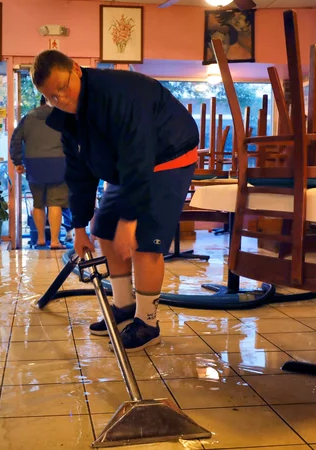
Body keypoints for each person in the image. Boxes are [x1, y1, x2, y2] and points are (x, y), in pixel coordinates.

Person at [33, 50, 199, 352]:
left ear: (76, 69)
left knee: (143, 241)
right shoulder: (69, 120)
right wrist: (80, 227)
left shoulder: (120, 94)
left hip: (167, 155)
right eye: (51, 97)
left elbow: (139, 152)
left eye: (62, 89)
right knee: (104, 229)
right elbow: (79, 173)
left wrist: (131, 218)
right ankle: (124, 306)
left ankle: (147, 323)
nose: (61, 100)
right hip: (128, 167)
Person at [10, 95, 70, 249]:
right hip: (59, 163)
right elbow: (73, 139)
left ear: (40, 102)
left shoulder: (28, 117)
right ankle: (55, 241)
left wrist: (18, 161)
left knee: (38, 203)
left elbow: (16, 139)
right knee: (55, 202)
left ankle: (41, 239)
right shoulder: (62, 117)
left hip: (34, 164)